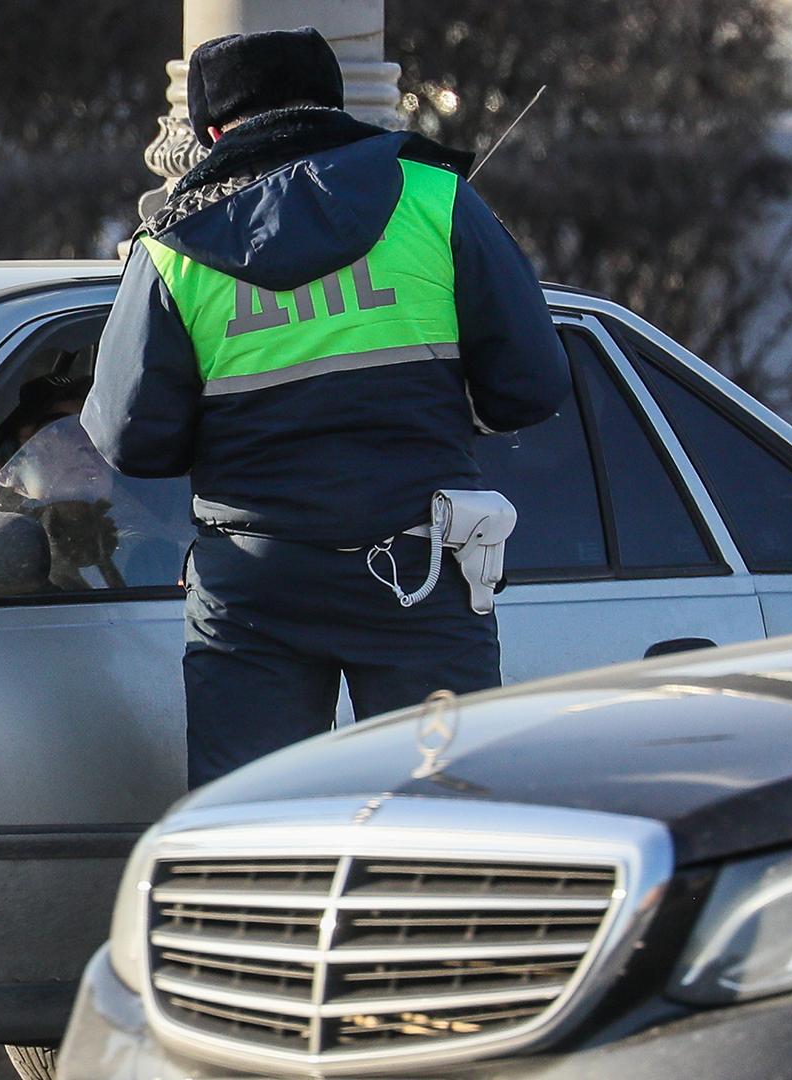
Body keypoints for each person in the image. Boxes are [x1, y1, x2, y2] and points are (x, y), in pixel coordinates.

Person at [82, 28, 570, 787]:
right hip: (417, 566)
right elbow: (532, 387)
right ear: (336, 106)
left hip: (251, 586)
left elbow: (132, 441)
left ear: (210, 132)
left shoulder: (172, 252)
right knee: (444, 829)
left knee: (249, 837)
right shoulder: (435, 200)